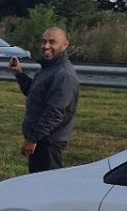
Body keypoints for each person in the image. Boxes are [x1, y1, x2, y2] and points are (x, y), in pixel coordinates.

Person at [8, 27, 80, 173]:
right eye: (44, 41)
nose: (46, 46)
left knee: (47, 189)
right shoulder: (48, 68)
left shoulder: (63, 74)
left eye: (52, 42)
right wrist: (19, 74)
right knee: (38, 186)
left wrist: (32, 139)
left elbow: (54, 113)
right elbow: (34, 93)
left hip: (48, 144)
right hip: (40, 142)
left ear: (65, 45)